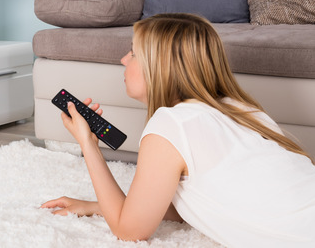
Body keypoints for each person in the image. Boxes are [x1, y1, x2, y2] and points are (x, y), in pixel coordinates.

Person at [41, 13, 315, 246]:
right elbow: (195, 201)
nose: (124, 60)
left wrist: (88, 145)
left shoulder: (171, 125)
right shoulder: (240, 109)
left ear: (160, 67)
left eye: (134, 53)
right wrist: (98, 208)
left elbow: (130, 231)